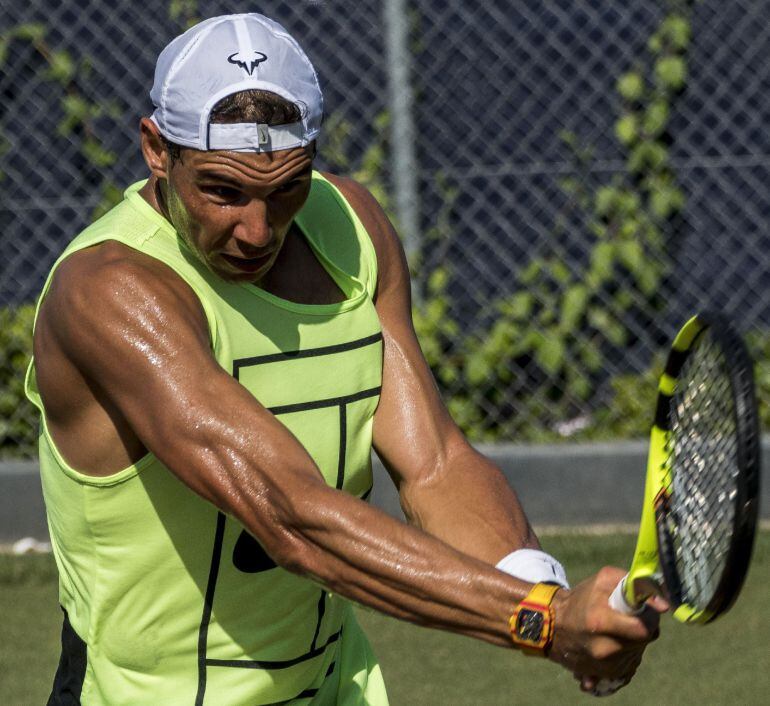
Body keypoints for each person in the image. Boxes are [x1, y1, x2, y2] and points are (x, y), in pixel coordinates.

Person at [25, 12, 665, 705]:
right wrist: (539, 622)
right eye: (222, 190)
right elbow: (291, 518)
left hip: (337, 687)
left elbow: (436, 465)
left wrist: (544, 591)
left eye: (286, 188)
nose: (257, 229)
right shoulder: (111, 291)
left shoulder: (351, 226)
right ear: (157, 150)